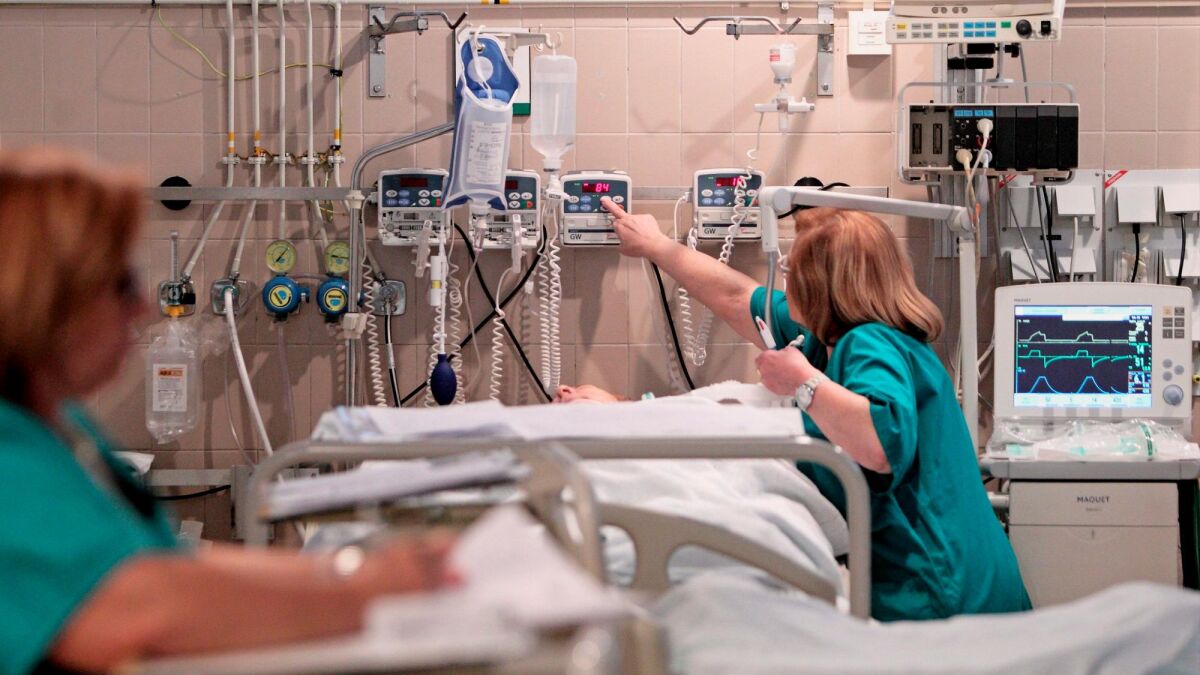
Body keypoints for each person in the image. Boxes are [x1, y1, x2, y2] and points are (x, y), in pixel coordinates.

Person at [0, 150, 458, 674]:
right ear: (46, 301)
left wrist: (360, 567)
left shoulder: (56, 425)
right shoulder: (9, 454)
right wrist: (370, 587)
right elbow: (132, 606)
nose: (143, 307)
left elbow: (162, 560)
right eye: (121, 284)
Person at [599, 196, 1030, 621]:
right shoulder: (830, 336)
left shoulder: (870, 343)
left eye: (792, 269)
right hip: (964, 579)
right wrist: (656, 245)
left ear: (819, 286)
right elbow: (735, 296)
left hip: (941, 592)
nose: (784, 277)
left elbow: (882, 443)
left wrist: (802, 383)